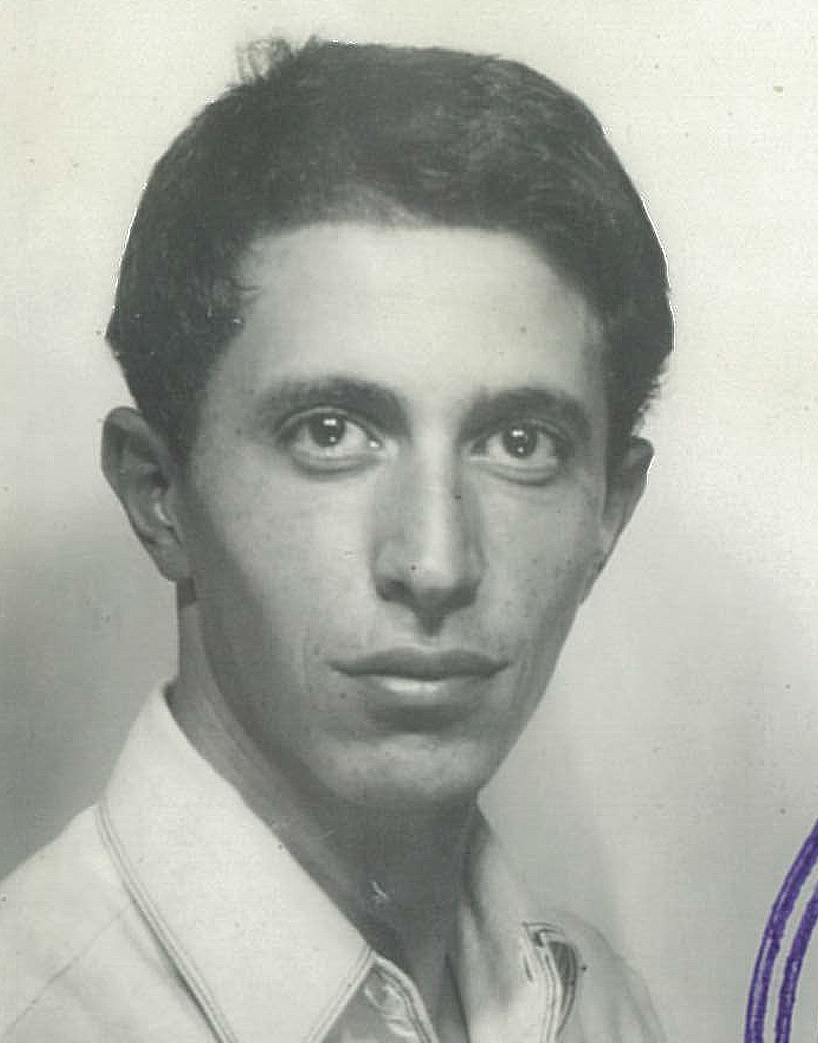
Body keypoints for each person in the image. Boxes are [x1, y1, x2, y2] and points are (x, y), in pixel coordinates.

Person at [0, 39, 672, 1042]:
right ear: (158, 494)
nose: (435, 563)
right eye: (329, 433)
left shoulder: (603, 1012)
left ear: (608, 511)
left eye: (519, 444)